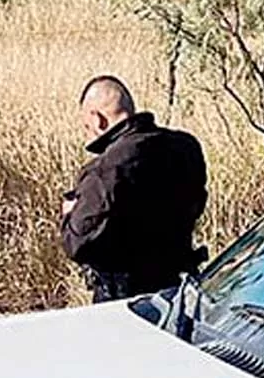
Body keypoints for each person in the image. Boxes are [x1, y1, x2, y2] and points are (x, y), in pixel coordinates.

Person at [61, 75, 209, 303]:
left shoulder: (104, 170)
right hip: (180, 292)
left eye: (86, 126)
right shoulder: (186, 146)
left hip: (125, 302)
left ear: (98, 119)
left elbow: (78, 244)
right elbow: (198, 202)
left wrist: (70, 213)